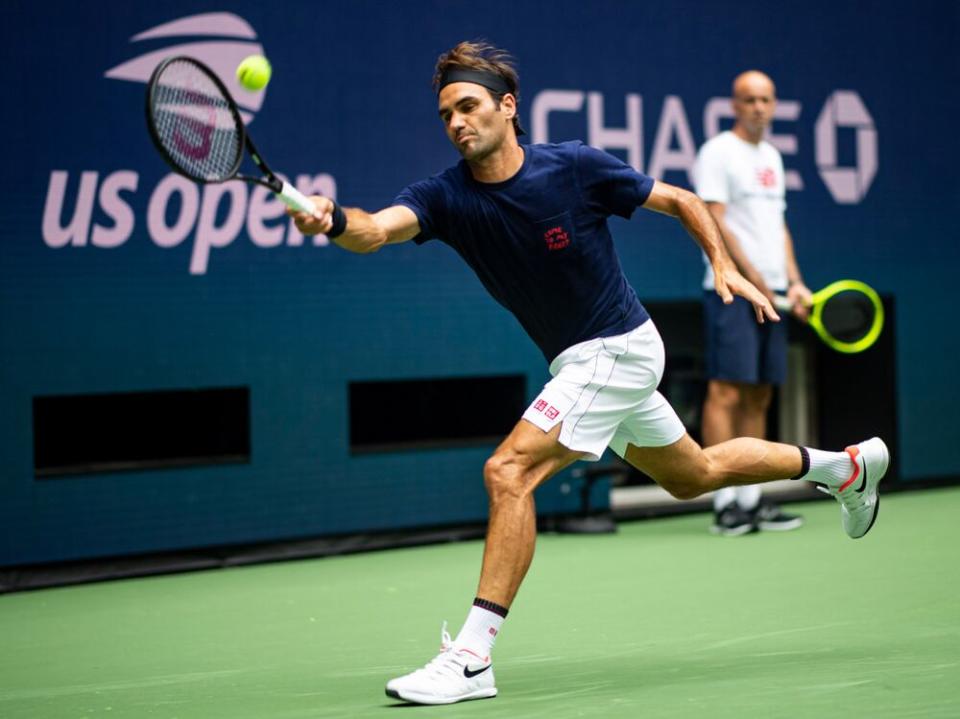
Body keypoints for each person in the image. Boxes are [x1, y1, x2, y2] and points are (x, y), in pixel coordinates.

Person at [289, 42, 889, 706]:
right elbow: (374, 229)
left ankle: (471, 657)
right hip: (584, 360)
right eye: (446, 114)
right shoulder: (446, 196)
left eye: (469, 106)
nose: (457, 122)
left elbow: (684, 200)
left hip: (618, 347)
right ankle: (846, 467)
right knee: (695, 474)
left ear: (507, 107)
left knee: (508, 470)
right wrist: (332, 217)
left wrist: (722, 263)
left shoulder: (572, 167)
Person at [694, 71, 813, 536]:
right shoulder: (717, 152)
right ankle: (723, 500)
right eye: (749, 100)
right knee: (726, 390)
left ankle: (752, 495)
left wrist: (794, 281)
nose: (759, 107)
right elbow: (715, 222)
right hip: (731, 289)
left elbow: (777, 225)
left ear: (774, 104)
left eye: (766, 99)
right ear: (734, 105)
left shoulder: (773, 157)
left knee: (760, 390)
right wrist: (753, 277)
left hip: (776, 291)